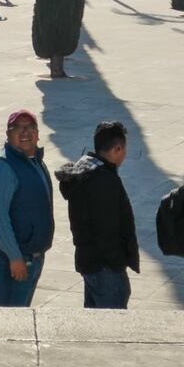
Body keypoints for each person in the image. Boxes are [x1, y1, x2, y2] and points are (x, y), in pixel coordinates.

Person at [56, 121, 139, 309]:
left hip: (90, 262)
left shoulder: (86, 172)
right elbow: (106, 228)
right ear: (117, 149)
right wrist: (116, 264)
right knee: (112, 327)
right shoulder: (103, 181)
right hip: (105, 268)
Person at [0, 110, 54, 308]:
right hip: (15, 262)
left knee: (20, 318)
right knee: (10, 323)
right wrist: (14, 258)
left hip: (32, 257)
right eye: (18, 128)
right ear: (8, 134)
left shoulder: (34, 161)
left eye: (30, 127)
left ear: (38, 134)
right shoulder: (3, 166)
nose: (25, 132)